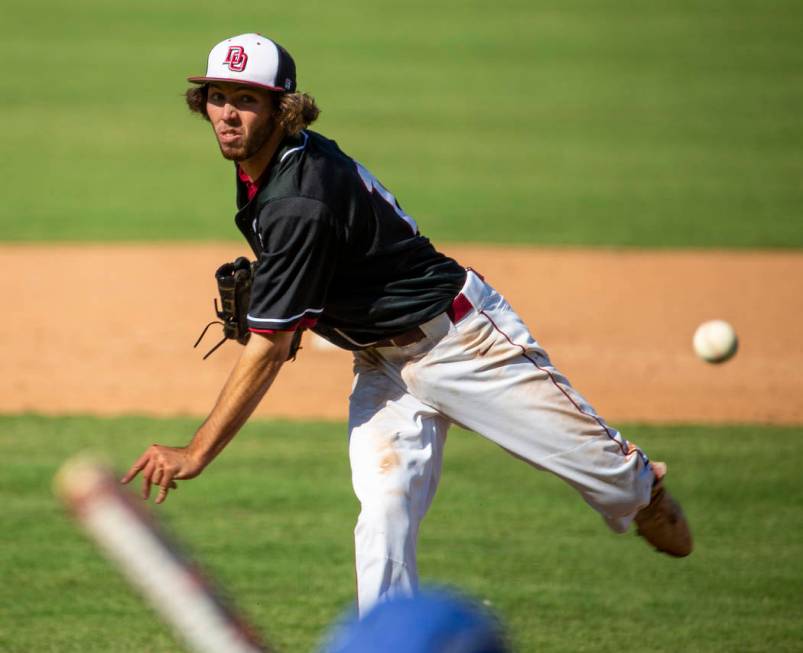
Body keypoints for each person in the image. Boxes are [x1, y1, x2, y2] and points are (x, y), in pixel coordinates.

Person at [122, 33, 692, 617]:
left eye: (247, 98)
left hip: (465, 347)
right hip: (383, 368)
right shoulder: (274, 165)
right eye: (218, 96)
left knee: (618, 486)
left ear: (282, 107)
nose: (227, 113)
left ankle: (641, 489)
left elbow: (269, 349)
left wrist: (196, 452)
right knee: (383, 515)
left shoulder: (297, 199)